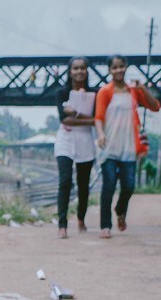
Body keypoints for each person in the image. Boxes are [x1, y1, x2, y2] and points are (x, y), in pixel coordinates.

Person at [94, 55, 161, 239]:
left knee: (129, 185)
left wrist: (143, 89)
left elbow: (155, 106)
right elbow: (98, 117)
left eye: (121, 66)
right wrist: (100, 134)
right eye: (114, 67)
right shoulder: (105, 92)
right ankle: (105, 225)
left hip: (129, 146)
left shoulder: (133, 91)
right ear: (109, 70)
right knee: (108, 185)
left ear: (126, 67)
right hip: (109, 145)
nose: (118, 70)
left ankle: (120, 209)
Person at [54, 57, 97, 238]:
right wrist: (86, 118)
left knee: (83, 184)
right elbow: (64, 119)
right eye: (76, 68)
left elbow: (97, 119)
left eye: (82, 68)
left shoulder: (95, 93)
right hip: (65, 140)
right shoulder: (62, 93)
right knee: (65, 182)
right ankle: (62, 224)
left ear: (87, 71)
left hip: (85, 140)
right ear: (70, 71)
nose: (79, 72)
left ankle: (81, 218)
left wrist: (76, 114)